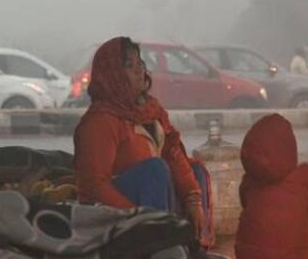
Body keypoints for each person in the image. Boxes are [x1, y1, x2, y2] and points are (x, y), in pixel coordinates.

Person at [73, 37, 208, 245]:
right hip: (115, 213)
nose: (139, 70)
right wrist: (138, 217)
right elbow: (95, 186)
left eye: (139, 63)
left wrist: (193, 199)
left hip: (153, 199)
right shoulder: (100, 121)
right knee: (155, 169)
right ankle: (157, 246)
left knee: (195, 173)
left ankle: (192, 245)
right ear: (113, 75)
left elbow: (172, 152)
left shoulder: (150, 110)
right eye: (129, 65)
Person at [235, 114, 308, 259]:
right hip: (293, 257)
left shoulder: (249, 182)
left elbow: (244, 202)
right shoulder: (305, 177)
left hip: (247, 256)